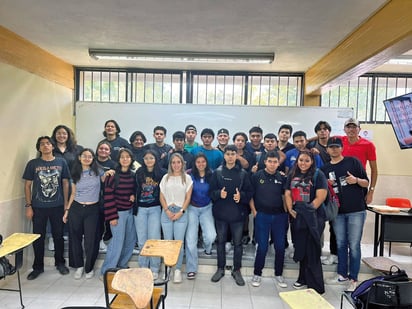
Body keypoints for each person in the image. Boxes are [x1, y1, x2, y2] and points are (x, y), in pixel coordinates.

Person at [321, 137, 369, 292]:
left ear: (342, 148)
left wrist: (356, 180)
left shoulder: (352, 162)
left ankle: (354, 278)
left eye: (337, 147)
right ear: (327, 150)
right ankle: (342, 274)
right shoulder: (324, 169)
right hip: (338, 212)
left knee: (354, 245)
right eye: (331, 147)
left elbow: (366, 182)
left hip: (356, 210)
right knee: (341, 244)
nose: (334, 149)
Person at [22, 136, 70, 280]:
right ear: (39, 148)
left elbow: (66, 183)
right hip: (38, 207)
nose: (45, 146)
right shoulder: (33, 164)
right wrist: (29, 206)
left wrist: (66, 205)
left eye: (48, 143)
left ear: (53, 146)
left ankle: (60, 263)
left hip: (57, 206)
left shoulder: (61, 162)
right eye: (42, 144)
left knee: (58, 236)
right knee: (38, 238)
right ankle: (37, 267)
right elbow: (27, 185)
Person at [209, 145, 253, 286]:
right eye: (227, 154)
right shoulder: (217, 172)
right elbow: (211, 193)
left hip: (238, 215)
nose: (230, 156)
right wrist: (218, 194)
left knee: (238, 244)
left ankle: (237, 270)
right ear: (224, 155)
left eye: (233, 154)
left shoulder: (243, 174)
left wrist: (242, 196)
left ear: (236, 155)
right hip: (221, 215)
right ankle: (220, 269)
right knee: (220, 242)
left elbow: (250, 193)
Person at [63, 148, 111, 280]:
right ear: (79, 157)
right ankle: (78, 266)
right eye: (84, 156)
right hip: (76, 208)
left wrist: (109, 172)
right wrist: (67, 210)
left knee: (91, 240)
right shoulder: (75, 173)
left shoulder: (98, 171)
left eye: (90, 156)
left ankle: (89, 267)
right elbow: (72, 193)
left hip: (93, 209)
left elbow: (106, 179)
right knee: (75, 239)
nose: (87, 158)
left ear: (93, 158)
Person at [284, 150, 327, 294]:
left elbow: (321, 196)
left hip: (314, 216)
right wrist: (290, 209)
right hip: (297, 215)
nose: (303, 163)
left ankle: (314, 283)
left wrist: (309, 210)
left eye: (307, 160)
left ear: (312, 162)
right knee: (301, 246)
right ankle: (302, 278)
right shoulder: (292, 173)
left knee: (312, 248)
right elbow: (288, 192)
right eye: (301, 160)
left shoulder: (318, 174)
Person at [250, 151, 288, 289]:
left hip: (279, 217)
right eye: (270, 161)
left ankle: (279, 274)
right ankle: (257, 273)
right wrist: (255, 212)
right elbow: (250, 195)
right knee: (262, 247)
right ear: (265, 161)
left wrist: (286, 213)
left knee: (280, 247)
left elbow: (285, 196)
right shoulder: (257, 176)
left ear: (278, 163)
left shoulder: (282, 177)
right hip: (262, 216)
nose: (272, 164)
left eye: (275, 162)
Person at [100, 148, 137, 276]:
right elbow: (108, 196)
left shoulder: (133, 175)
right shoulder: (112, 176)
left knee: (130, 241)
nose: (125, 159)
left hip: (130, 212)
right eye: (122, 157)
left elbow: (134, 190)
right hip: (117, 214)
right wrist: (112, 216)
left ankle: (121, 265)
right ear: (118, 159)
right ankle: (106, 271)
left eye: (128, 157)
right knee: (116, 243)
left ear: (131, 159)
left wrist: (133, 195)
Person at [307, 121, 337, 266]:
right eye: (320, 130)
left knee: (334, 222)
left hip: (334, 190)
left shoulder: (335, 144)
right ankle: (316, 251)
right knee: (317, 221)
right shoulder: (313, 148)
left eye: (325, 130)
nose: (323, 132)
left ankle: (334, 253)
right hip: (318, 188)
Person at [160, 153, 193, 283]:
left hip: (181, 211)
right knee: (168, 241)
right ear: (170, 164)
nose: (176, 165)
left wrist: (181, 211)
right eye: (173, 162)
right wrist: (167, 210)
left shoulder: (187, 178)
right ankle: (168, 268)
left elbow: (188, 198)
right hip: (167, 211)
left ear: (182, 163)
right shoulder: (165, 178)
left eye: (178, 162)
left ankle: (177, 270)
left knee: (179, 242)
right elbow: (161, 196)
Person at [135, 149, 167, 280]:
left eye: (151, 158)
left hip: (155, 208)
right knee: (142, 240)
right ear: (143, 160)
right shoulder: (138, 173)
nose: (149, 160)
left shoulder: (162, 173)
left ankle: (154, 268)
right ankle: (143, 266)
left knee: (153, 239)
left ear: (156, 159)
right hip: (140, 209)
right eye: (146, 158)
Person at [185, 153, 216, 280]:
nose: (201, 164)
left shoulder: (212, 174)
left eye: (203, 161)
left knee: (211, 236)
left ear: (206, 163)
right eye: (198, 162)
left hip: (207, 208)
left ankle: (206, 248)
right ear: (195, 163)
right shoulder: (189, 175)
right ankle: (191, 268)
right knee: (190, 240)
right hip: (192, 208)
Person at [341, 118, 377, 205]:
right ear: (344, 129)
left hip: (360, 184)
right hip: (341, 184)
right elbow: (322, 136)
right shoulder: (339, 141)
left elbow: (374, 170)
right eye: (348, 127)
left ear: (359, 129)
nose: (351, 129)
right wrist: (308, 141)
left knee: (357, 213)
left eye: (354, 127)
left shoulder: (368, 145)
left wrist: (371, 191)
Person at [95, 141, 117, 252]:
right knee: (97, 220)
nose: (103, 151)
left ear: (110, 152)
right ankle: (98, 240)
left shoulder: (113, 164)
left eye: (106, 149)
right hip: (93, 196)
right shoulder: (92, 162)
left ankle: (106, 239)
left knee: (108, 220)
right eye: (101, 148)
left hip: (108, 197)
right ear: (97, 149)